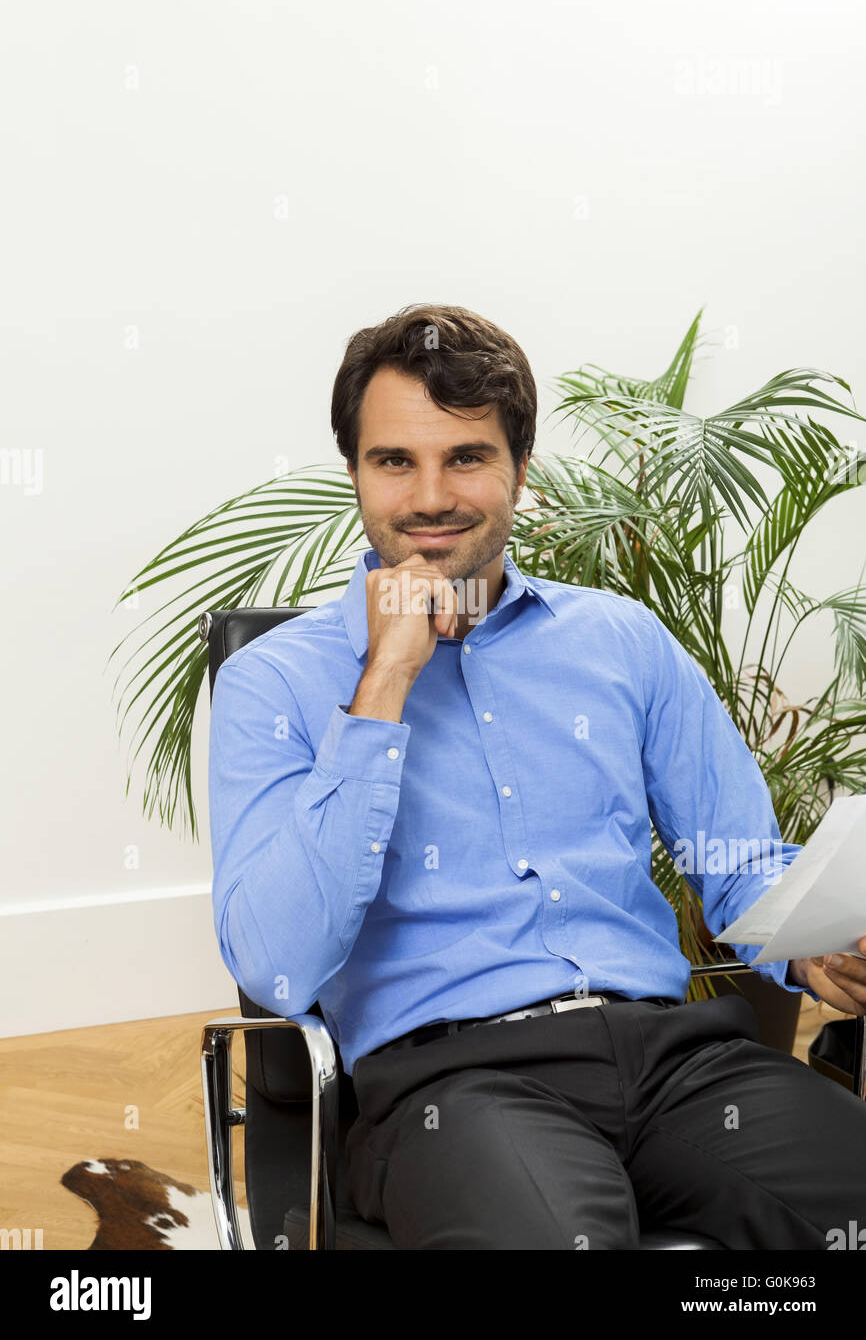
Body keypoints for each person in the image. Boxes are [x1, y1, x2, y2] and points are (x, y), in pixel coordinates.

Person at [208, 303, 866, 1250]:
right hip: (457, 1089)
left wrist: (813, 944)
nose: (430, 495)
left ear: (519, 471)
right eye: (396, 460)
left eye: (466, 457)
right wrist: (385, 680)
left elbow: (740, 861)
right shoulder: (276, 680)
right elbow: (275, 962)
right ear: (355, 474)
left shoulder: (622, 641)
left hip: (680, 1063)